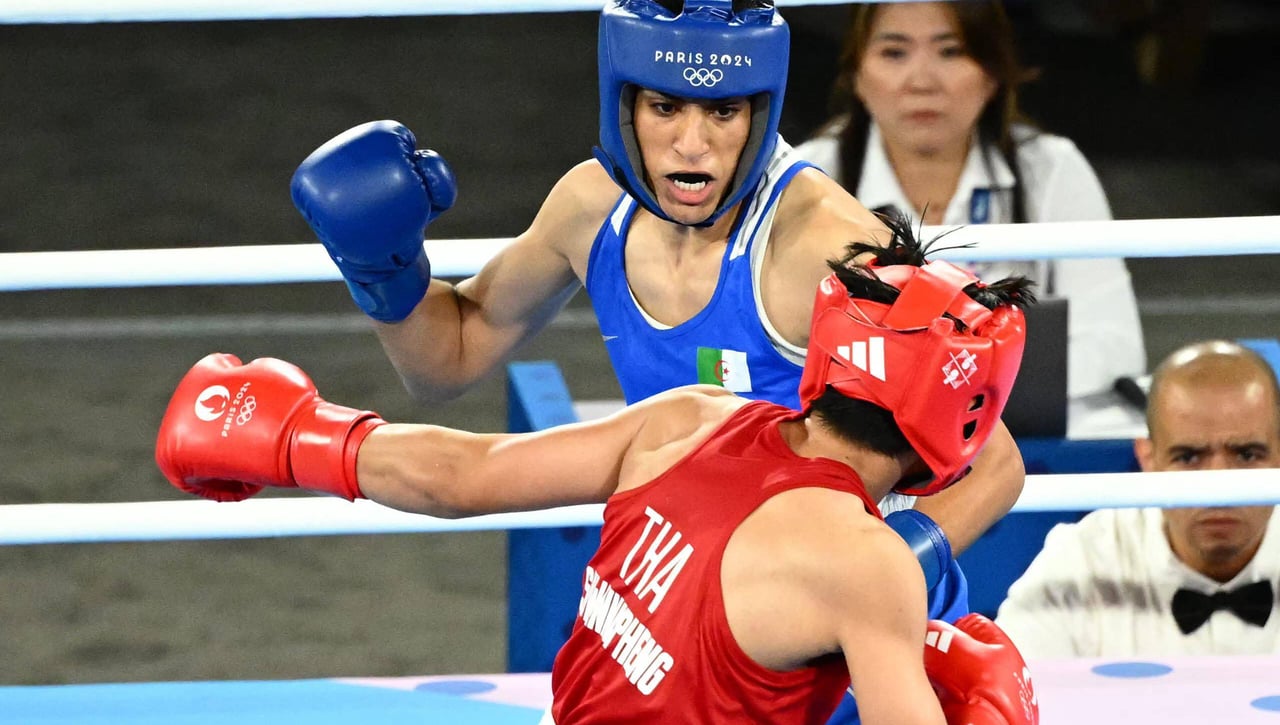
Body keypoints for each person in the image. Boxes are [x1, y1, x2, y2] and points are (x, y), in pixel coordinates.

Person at [289, 1, 1028, 638]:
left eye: (723, 109)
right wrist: (383, 272)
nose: (693, 143)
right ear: (625, 106)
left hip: (846, 627)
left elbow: (993, 461)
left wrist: (876, 573)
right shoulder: (590, 208)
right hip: (697, 608)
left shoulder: (824, 247)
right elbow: (445, 359)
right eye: (666, 106)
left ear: (760, 109)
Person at [156, 232, 1039, 725]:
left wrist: (294, 437)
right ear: (957, 414)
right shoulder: (867, 563)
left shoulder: (692, 416)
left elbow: (462, 475)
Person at [792, 0, 1145, 399]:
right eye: (894, 52)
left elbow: (1115, 345)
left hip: (1017, 438)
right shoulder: (806, 179)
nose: (922, 80)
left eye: (951, 51)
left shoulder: (1051, 168)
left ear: (993, 73)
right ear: (856, 74)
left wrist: (948, 393)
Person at [994, 340, 1280, 657]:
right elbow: (1004, 688)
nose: (1218, 487)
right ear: (1147, 458)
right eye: (1188, 457)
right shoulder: (1081, 560)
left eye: (1247, 454)